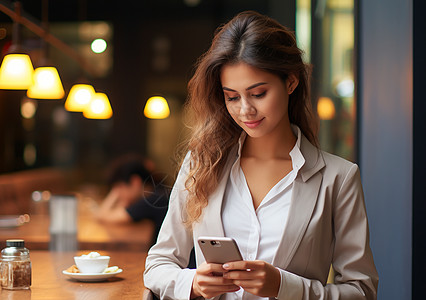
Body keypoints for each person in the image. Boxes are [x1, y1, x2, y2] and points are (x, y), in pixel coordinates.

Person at [144, 10, 378, 300]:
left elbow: (362, 291)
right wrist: (191, 283)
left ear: (291, 82)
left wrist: (284, 286)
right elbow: (157, 265)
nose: (245, 110)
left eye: (258, 93)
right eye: (232, 96)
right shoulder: (202, 164)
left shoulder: (338, 178)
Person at [96, 153, 169, 246]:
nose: (118, 193)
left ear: (135, 182)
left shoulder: (152, 201)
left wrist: (114, 194)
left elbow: (102, 216)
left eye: (119, 187)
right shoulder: (158, 192)